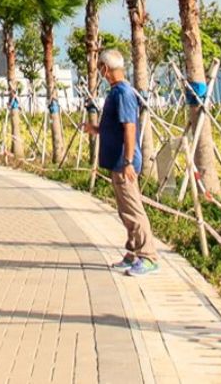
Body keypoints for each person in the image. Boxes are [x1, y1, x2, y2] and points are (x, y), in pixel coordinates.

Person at [84, 48, 159, 276]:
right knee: (125, 211)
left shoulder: (123, 93)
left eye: (100, 70)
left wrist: (127, 161)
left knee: (133, 210)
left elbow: (129, 127)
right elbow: (115, 127)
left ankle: (148, 256)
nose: (101, 74)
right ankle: (133, 252)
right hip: (116, 161)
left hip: (123, 163)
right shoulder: (116, 92)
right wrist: (95, 129)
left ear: (105, 69)